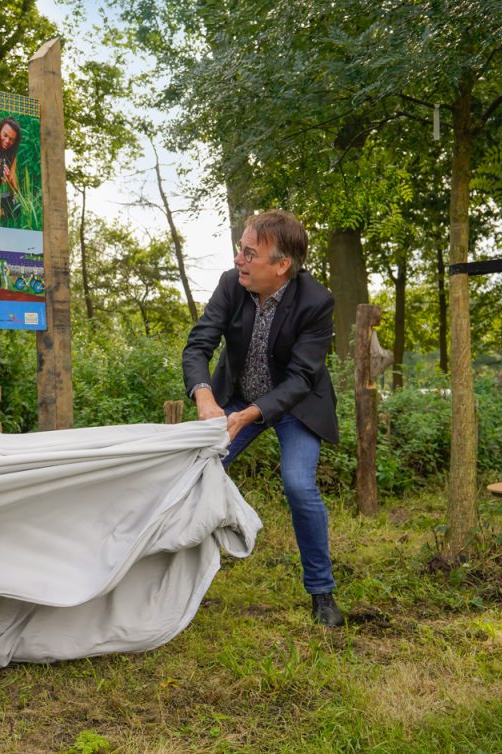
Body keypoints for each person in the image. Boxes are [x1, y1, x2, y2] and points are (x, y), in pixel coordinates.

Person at [181, 210, 343, 627]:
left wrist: (251, 415)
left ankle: (322, 594)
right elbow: (198, 345)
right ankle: (176, 588)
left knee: (299, 485)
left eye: (249, 252)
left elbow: (303, 377)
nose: (239, 259)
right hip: (235, 398)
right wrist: (204, 396)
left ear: (281, 265)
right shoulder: (230, 285)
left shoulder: (316, 301)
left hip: (295, 407)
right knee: (192, 476)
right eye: (240, 248)